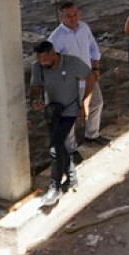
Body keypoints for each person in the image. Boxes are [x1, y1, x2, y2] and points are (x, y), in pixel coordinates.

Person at [29, 40, 94, 207]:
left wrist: (85, 102)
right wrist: (35, 100)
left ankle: (55, 186)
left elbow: (90, 76)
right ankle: (72, 177)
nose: (42, 63)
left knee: (55, 147)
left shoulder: (71, 62)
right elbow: (35, 87)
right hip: (52, 112)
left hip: (69, 110)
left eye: (45, 59)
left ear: (53, 54)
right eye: (40, 59)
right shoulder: (38, 67)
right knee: (60, 145)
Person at [48, 1, 107, 148]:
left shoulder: (84, 28)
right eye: (69, 16)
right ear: (62, 17)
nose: (73, 18)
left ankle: (92, 135)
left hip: (89, 77)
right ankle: (70, 148)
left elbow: (93, 48)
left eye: (75, 14)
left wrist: (96, 68)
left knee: (96, 104)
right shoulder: (56, 38)